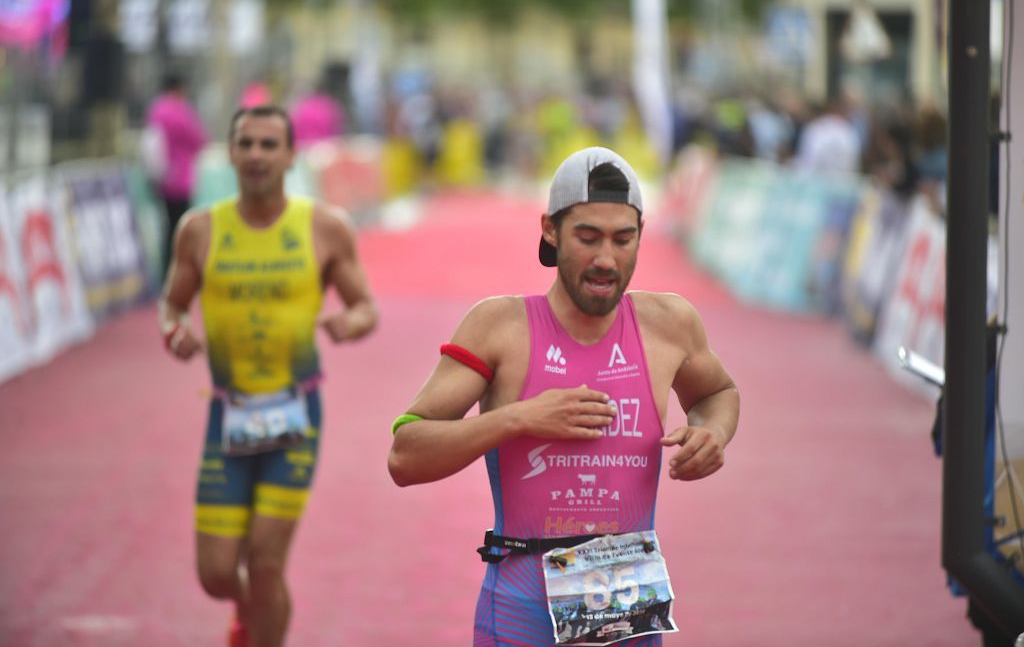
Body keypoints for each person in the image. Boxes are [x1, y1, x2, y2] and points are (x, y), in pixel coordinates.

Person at [387, 146, 740, 646]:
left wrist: (712, 431)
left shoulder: (669, 324)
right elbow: (405, 454)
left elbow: (718, 392)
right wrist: (519, 418)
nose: (605, 259)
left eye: (623, 239)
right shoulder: (499, 327)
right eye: (587, 237)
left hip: (629, 607)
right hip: (520, 609)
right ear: (550, 230)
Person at [159, 105, 378, 647]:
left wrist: (350, 322)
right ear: (230, 153)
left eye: (268, 145)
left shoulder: (324, 228)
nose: (256, 155)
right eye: (246, 144)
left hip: (294, 414)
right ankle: (247, 612)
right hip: (228, 412)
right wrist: (174, 332)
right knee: (214, 573)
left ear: (290, 155)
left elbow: (366, 306)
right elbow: (172, 306)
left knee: (265, 562)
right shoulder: (200, 230)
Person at [144, 72, 208, 274]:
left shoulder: (155, 110)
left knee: (167, 227)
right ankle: (179, 272)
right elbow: (200, 139)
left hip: (161, 179)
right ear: (180, 87)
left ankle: (166, 270)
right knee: (181, 229)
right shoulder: (181, 111)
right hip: (180, 180)